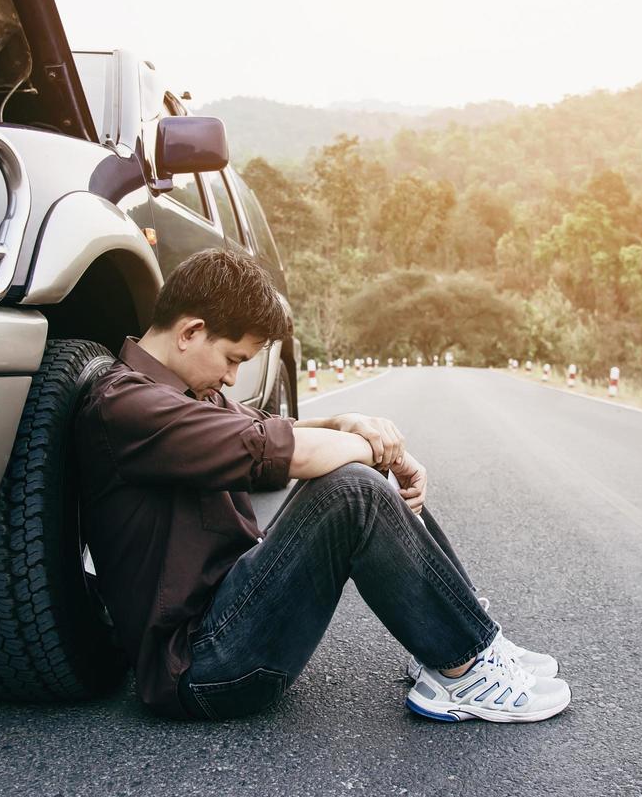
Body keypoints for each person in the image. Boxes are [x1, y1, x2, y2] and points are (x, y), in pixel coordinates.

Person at [75, 248, 570, 723]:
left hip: (230, 614)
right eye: (232, 359)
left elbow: (271, 428)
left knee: (356, 469)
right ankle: (468, 666)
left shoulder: (183, 397)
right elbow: (273, 449)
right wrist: (381, 454)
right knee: (352, 490)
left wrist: (354, 424)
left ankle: (462, 638)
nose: (231, 378)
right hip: (200, 666)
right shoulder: (128, 407)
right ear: (191, 331)